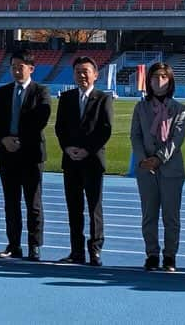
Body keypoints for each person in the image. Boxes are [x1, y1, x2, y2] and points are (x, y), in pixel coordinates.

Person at [0, 50, 51, 261]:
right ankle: (13, 245)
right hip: (7, 154)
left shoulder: (41, 92)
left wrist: (20, 141)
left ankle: (35, 245)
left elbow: (40, 120)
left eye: (21, 67)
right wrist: (4, 139)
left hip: (31, 154)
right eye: (14, 67)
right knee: (11, 203)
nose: (17, 71)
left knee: (33, 203)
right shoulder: (3, 92)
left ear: (31, 69)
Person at [55, 56, 113, 266]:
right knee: (74, 208)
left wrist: (87, 150)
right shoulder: (66, 97)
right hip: (70, 161)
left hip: (93, 161)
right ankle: (76, 251)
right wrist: (68, 148)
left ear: (95, 75)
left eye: (86, 71)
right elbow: (60, 128)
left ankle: (95, 250)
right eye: (78, 71)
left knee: (94, 208)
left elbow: (105, 130)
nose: (82, 75)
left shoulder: (103, 98)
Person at [130, 62, 185, 272]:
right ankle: (152, 254)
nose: (159, 81)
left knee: (171, 216)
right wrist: (143, 159)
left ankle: (170, 255)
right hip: (146, 170)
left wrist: (159, 158)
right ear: (149, 81)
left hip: (171, 170)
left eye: (164, 77)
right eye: (155, 77)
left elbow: (177, 139)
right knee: (149, 214)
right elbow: (135, 136)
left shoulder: (180, 109)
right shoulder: (140, 107)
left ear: (170, 81)